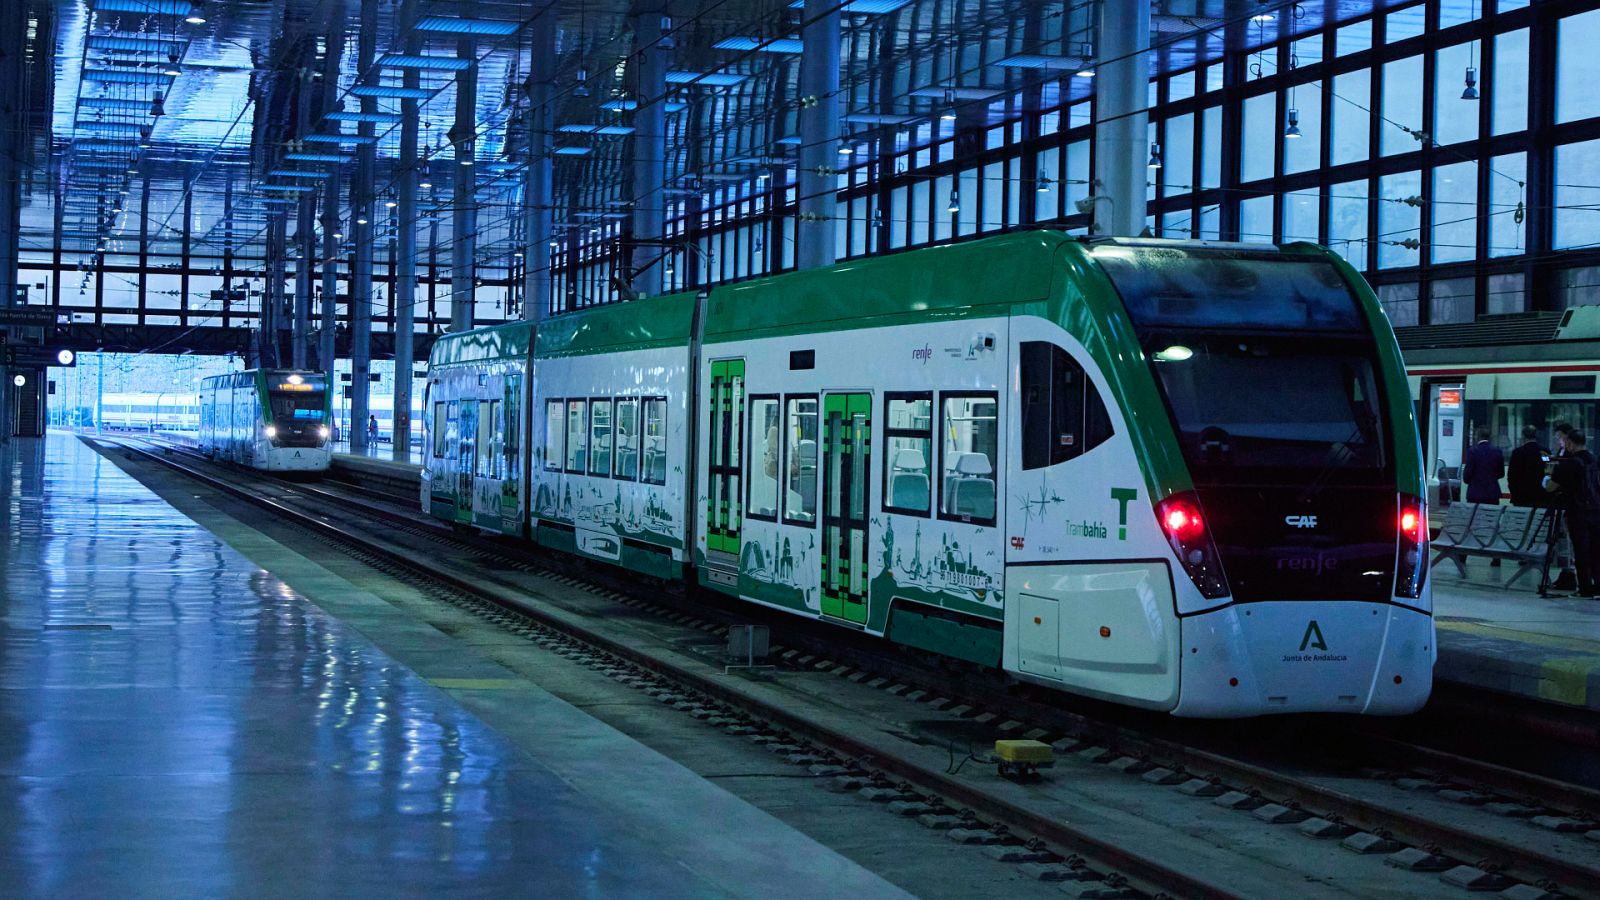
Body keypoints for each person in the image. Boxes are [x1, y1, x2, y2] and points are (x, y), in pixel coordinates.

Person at [1547, 430, 1600, 598]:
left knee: (1581, 551)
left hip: (1577, 512)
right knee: (1596, 550)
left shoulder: (1569, 464)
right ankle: (1598, 586)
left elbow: (1551, 487)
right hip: (1596, 511)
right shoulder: (1595, 460)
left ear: (1570, 443)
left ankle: (1585, 588)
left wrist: (1547, 477)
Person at [1461, 427, 1505, 504]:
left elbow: (1468, 473)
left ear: (1477, 436)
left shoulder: (1472, 451)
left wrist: (1469, 481)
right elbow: (1501, 473)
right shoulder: (1497, 451)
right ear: (1489, 437)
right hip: (1492, 493)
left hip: (1475, 493)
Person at [1508, 425, 1548, 507]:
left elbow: (1512, 475)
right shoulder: (1544, 452)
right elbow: (1547, 469)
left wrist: (1514, 492)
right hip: (1540, 495)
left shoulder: (1518, 452)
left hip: (1521, 496)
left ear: (1523, 436)